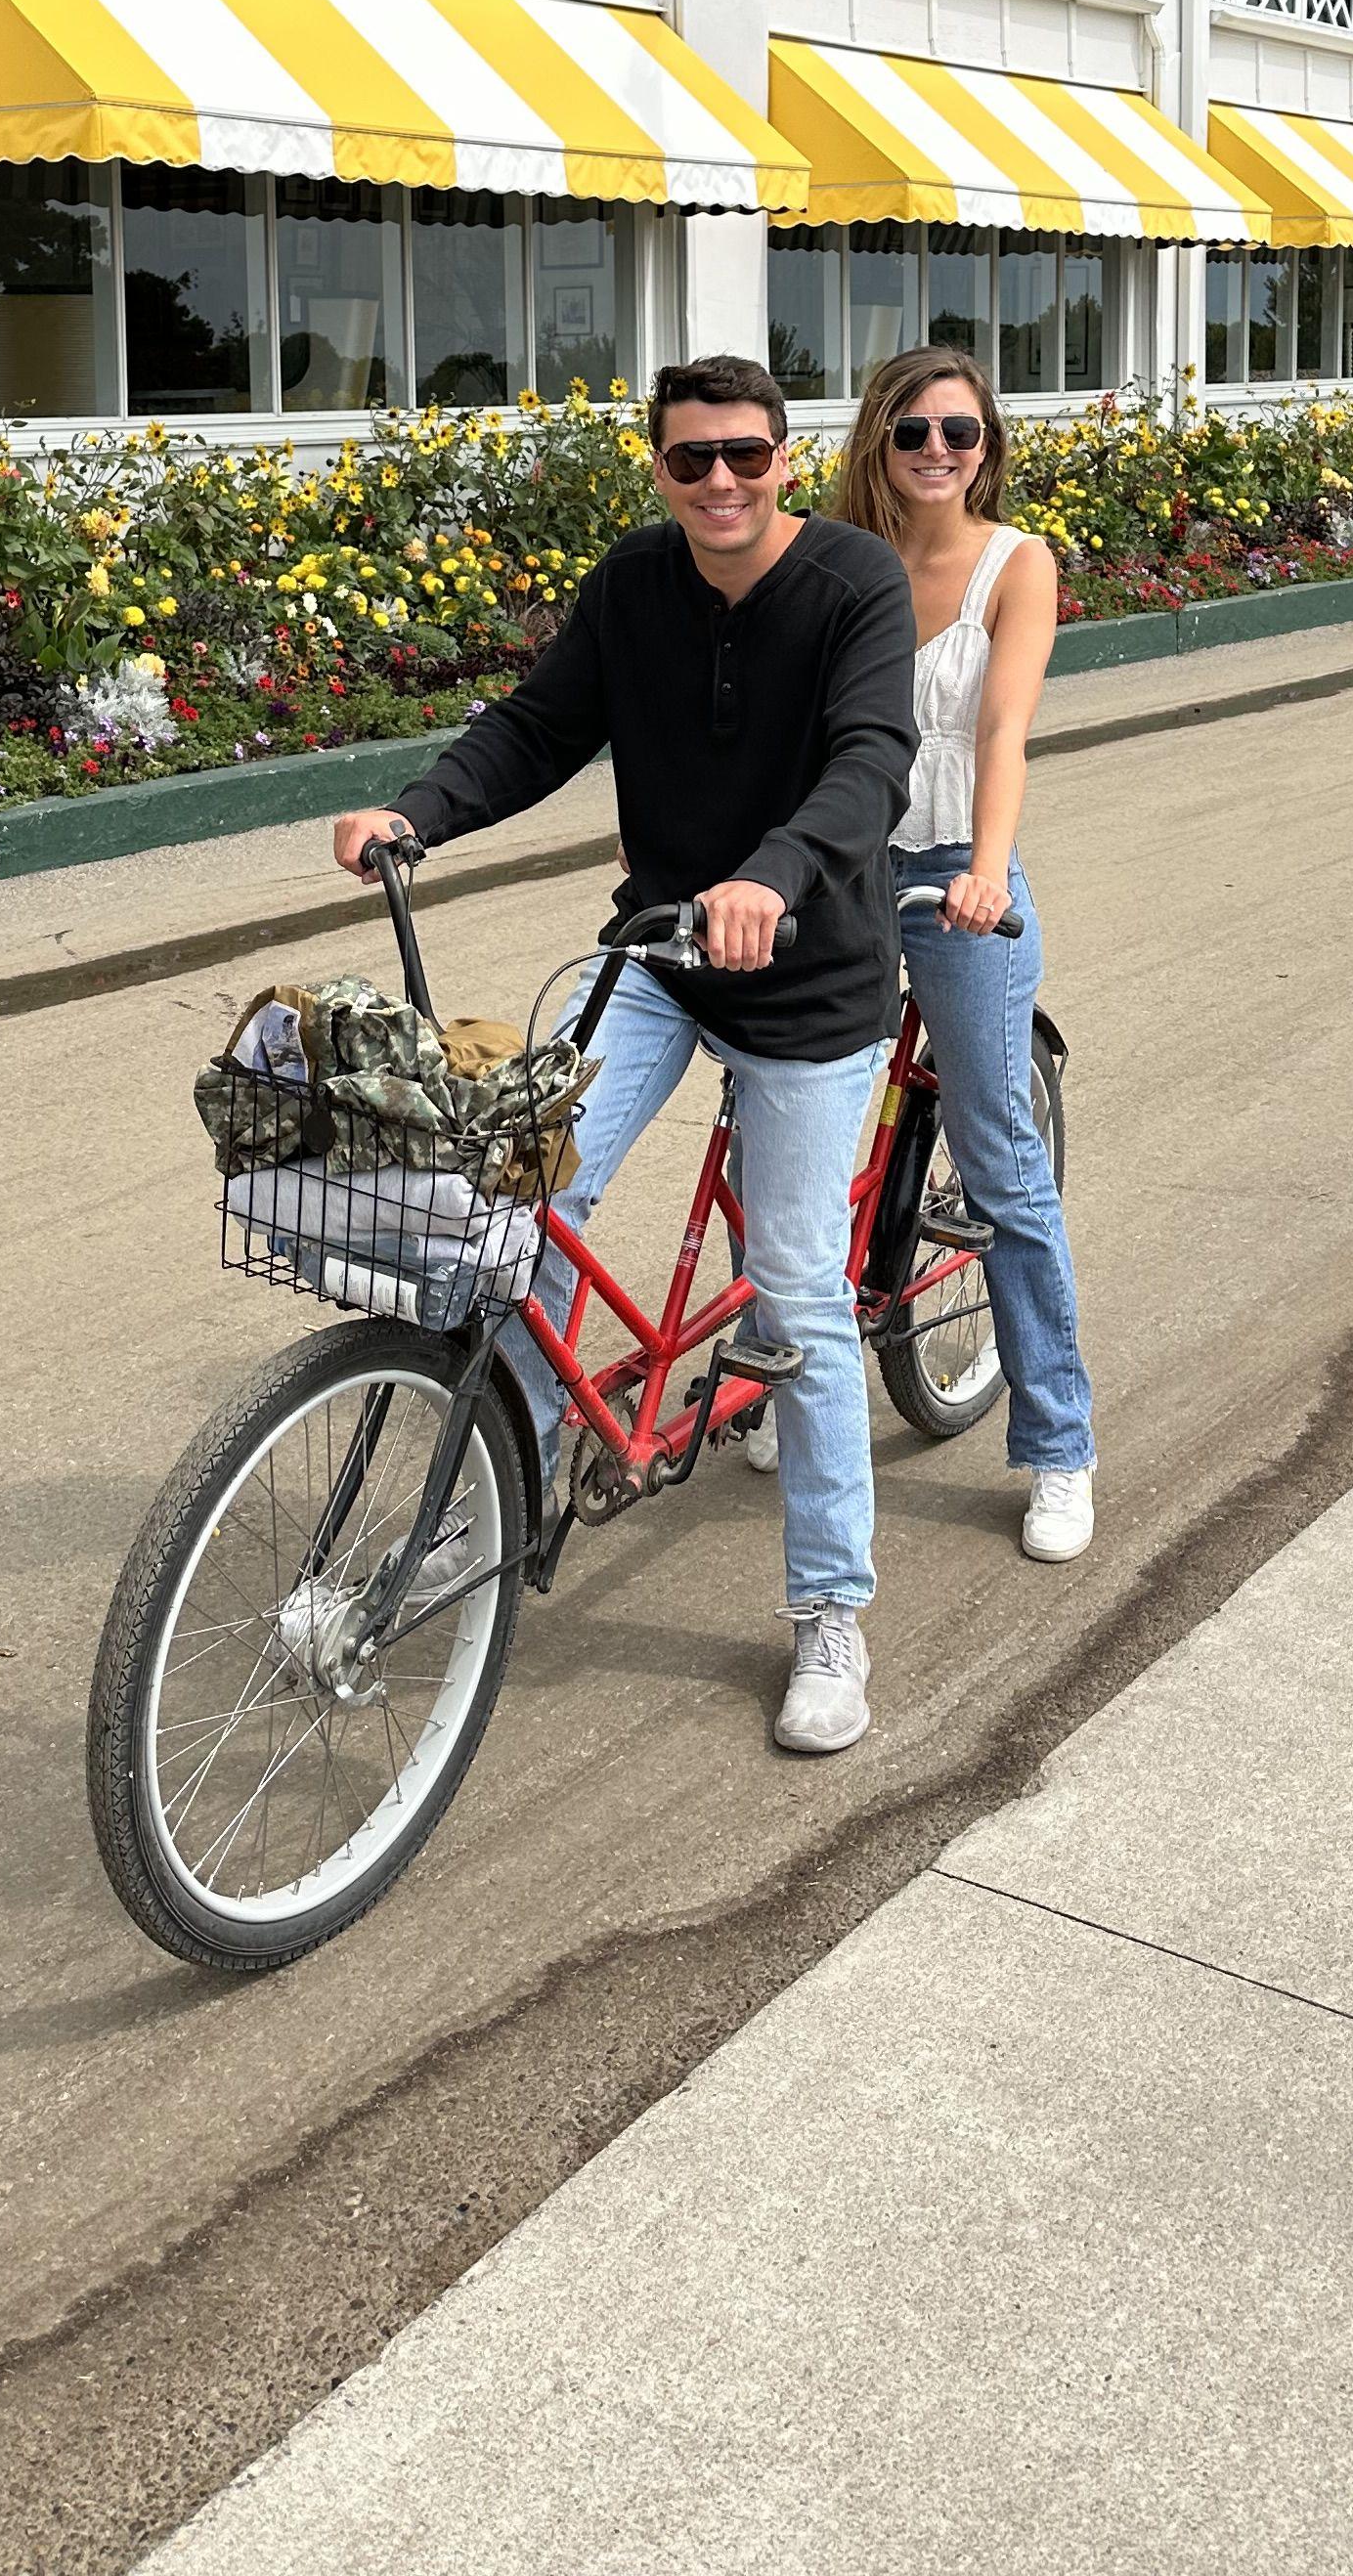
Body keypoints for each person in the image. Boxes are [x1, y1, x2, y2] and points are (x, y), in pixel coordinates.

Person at [330, 354, 918, 1758]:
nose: (720, 481)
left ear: (787, 460)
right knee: (519, 1212)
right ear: (657, 467)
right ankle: (498, 1504)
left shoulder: (854, 586)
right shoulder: (632, 586)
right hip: (657, 954)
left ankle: (831, 1612)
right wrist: (417, 813)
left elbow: (869, 760)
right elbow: (538, 727)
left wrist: (773, 875)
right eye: (690, 459)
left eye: (747, 456)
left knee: (795, 1286)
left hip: (813, 983)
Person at [829, 346, 1098, 1563]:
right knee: (787, 1129)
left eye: (963, 433)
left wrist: (987, 869)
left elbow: (1001, 727)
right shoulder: (838, 562)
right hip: (837, 866)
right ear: (877, 442)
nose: (940, 452)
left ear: (987, 445)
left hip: (952, 871)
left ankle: (1058, 1444)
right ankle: (800, 1369)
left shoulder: (1015, 562)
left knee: (998, 1156)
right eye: (915, 433)